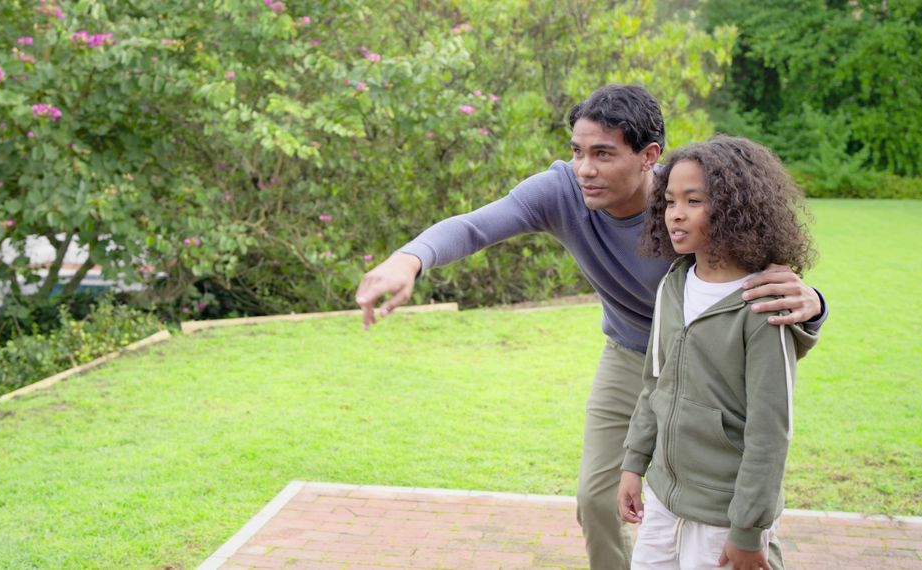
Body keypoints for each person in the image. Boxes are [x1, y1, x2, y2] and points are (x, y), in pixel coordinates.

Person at [354, 85, 826, 569]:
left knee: (728, 509)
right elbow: (475, 226)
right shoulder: (561, 193)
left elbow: (762, 278)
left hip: (711, 365)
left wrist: (814, 304)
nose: (585, 169)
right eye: (577, 152)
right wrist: (409, 260)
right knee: (597, 498)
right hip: (628, 355)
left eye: (603, 153)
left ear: (649, 156)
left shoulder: (691, 199)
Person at [616, 136, 817, 570]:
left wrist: (747, 531)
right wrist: (634, 465)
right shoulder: (674, 283)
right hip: (663, 499)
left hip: (725, 516)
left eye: (694, 200)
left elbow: (769, 431)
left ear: (732, 209)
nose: (676, 214)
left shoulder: (764, 304)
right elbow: (654, 384)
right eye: (669, 201)